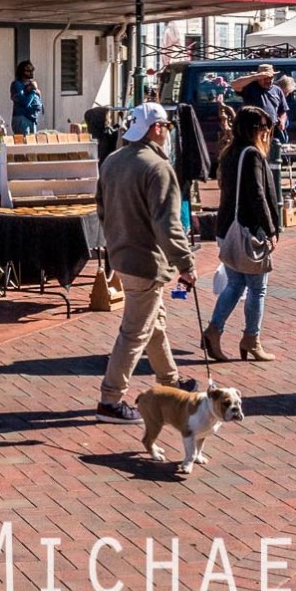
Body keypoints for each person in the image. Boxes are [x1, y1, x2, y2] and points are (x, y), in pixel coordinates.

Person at [95, 102, 198, 424]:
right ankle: (110, 400)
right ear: (156, 128)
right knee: (135, 332)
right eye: (167, 126)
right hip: (145, 261)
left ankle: (170, 381)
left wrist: (115, 242)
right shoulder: (157, 167)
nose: (168, 132)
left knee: (154, 324)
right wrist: (186, 264)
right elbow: (168, 224)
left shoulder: (113, 161)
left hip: (122, 255)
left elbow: (102, 209)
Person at [204, 107, 281, 363]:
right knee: (257, 288)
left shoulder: (230, 153)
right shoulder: (252, 155)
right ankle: (251, 338)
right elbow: (257, 195)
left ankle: (214, 330)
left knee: (236, 284)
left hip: (227, 228)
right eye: (264, 127)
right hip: (247, 229)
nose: (267, 132)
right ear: (253, 129)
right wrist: (270, 229)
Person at [227, 64, 290, 142]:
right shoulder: (250, 87)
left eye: (271, 78)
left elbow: (283, 110)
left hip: (272, 129)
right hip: (253, 129)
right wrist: (255, 77)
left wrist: (282, 121)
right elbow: (234, 85)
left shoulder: (277, 90)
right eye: (265, 78)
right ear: (259, 78)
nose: (268, 81)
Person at [10, 60, 44, 136]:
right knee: (24, 142)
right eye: (28, 70)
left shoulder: (31, 84)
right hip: (22, 118)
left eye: (32, 70)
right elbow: (24, 103)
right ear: (21, 71)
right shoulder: (17, 85)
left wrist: (38, 95)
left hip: (32, 119)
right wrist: (32, 91)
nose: (31, 72)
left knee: (32, 142)